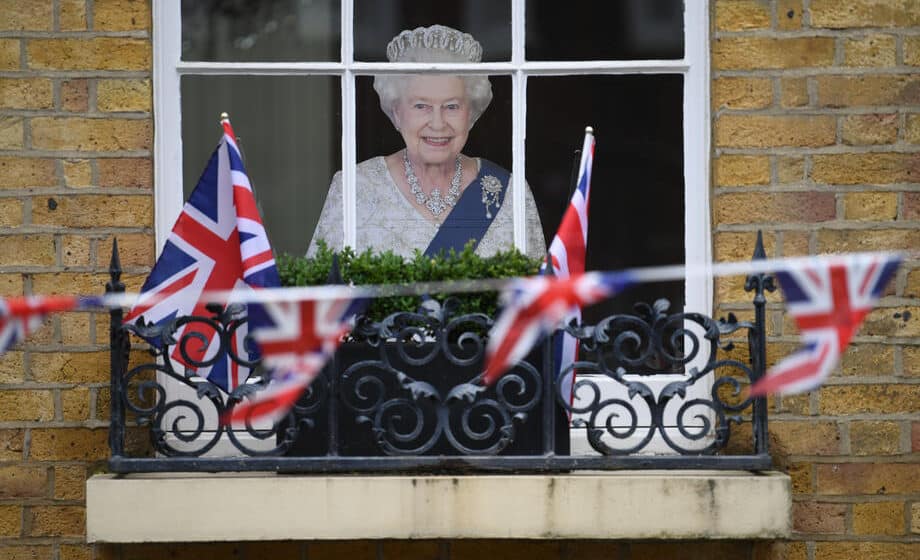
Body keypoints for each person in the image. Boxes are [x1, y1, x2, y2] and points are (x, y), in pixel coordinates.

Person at [307, 25, 545, 260]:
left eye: (452, 106)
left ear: (470, 114)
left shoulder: (511, 193)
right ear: (397, 112)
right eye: (421, 106)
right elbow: (322, 293)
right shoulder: (354, 188)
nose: (438, 123)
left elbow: (539, 294)